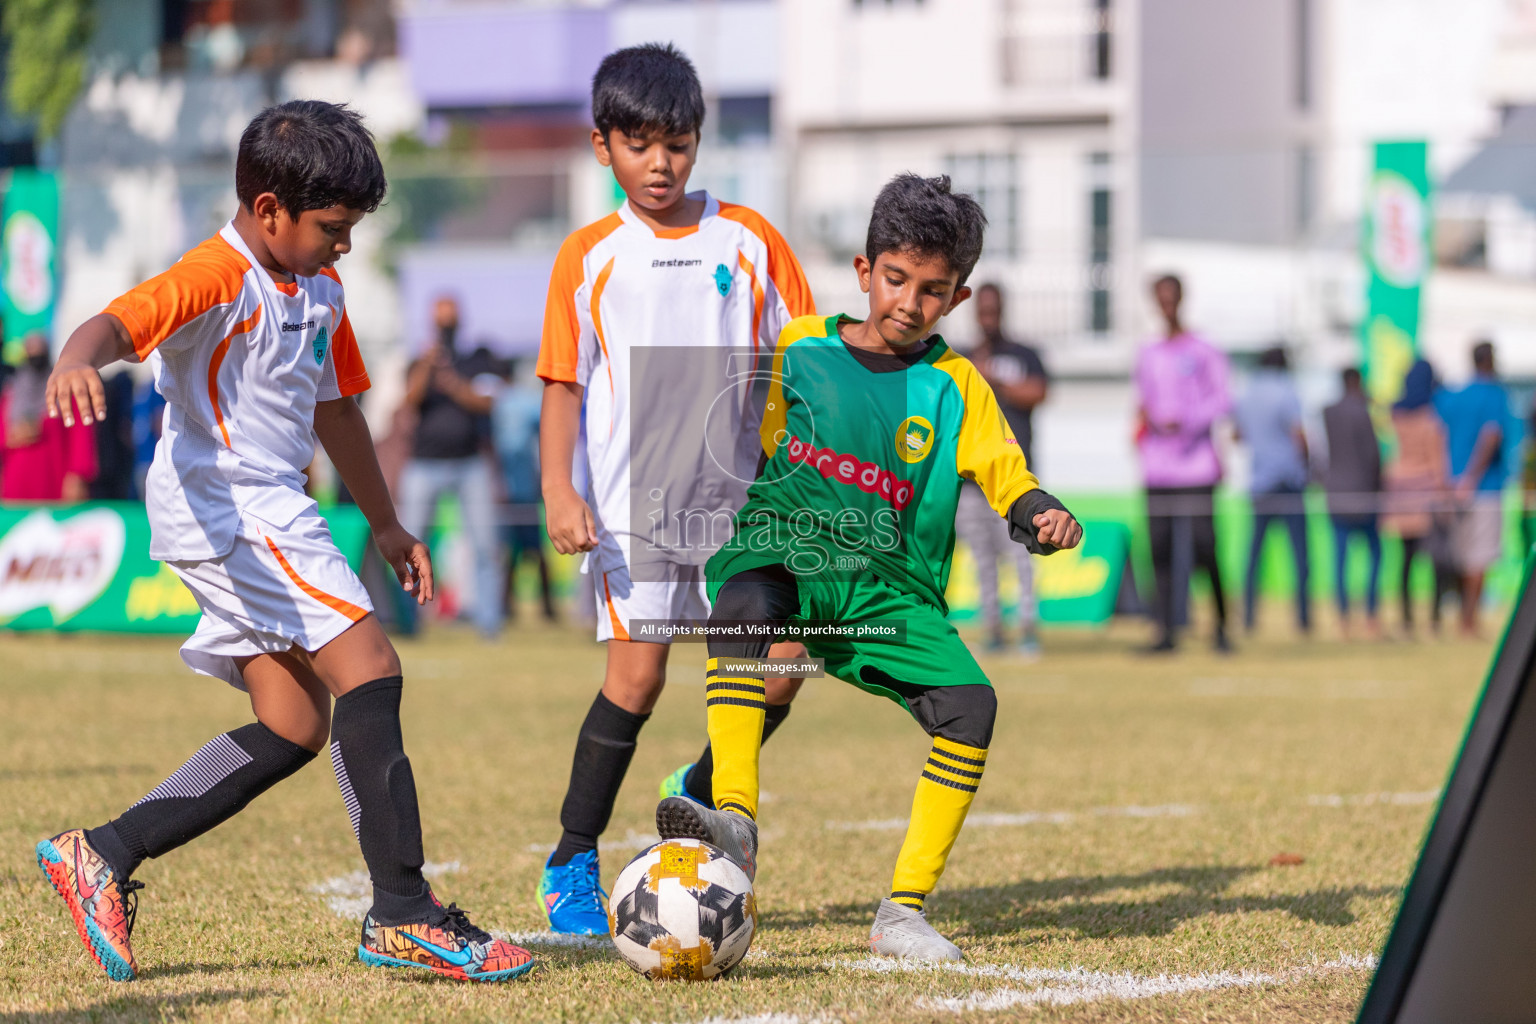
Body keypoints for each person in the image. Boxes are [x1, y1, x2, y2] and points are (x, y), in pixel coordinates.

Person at [33, 100, 533, 984]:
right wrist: (75, 359)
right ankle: (405, 912)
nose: (345, 246)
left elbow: (336, 408)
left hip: (263, 508)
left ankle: (102, 852)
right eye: (333, 228)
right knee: (372, 669)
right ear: (269, 211)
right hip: (230, 505)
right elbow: (118, 322)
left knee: (296, 724)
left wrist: (385, 521)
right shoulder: (215, 276)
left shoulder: (323, 290)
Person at [647, 174, 1081, 962]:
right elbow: (729, 417)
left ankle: (902, 913)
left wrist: (1038, 513)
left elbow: (1006, 473)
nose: (909, 303)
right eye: (895, 279)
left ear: (956, 298)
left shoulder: (956, 386)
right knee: (746, 612)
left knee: (971, 704)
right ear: (862, 268)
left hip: (888, 588)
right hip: (790, 549)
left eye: (932, 290)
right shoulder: (799, 347)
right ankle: (735, 825)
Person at [534, 43, 814, 935]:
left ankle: (695, 790)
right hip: (633, 505)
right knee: (639, 677)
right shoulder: (591, 255)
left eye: (679, 145)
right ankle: (572, 859)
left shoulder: (752, 239)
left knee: (787, 664)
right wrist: (558, 490)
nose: (661, 164)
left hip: (746, 506)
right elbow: (562, 384)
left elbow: (805, 363)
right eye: (640, 144)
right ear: (602, 145)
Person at [1135, 275, 1232, 653]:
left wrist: (1187, 421)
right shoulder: (1148, 352)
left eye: (1171, 298)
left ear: (1181, 299)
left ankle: (1221, 626)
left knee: (1205, 547)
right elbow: (1143, 401)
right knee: (1158, 549)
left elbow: (1223, 400)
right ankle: (1164, 631)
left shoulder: (1204, 349)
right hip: (1159, 469)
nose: (1166, 306)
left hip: (1196, 467)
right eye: (1160, 299)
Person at [397, 295, 504, 638]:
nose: (446, 328)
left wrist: (453, 384)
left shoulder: (476, 360)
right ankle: (408, 624)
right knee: (409, 547)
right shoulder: (419, 361)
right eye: (441, 321)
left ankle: (489, 625)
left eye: (450, 320)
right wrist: (429, 366)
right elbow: (410, 400)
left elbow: (487, 403)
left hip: (469, 464)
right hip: (424, 464)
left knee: (486, 546)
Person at [954, 283, 1049, 655]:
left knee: (1022, 560)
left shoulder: (1023, 353)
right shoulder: (961, 358)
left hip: (1017, 479)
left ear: (1003, 310)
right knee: (983, 562)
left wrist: (996, 380)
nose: (988, 318)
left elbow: (1039, 392)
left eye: (994, 310)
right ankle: (992, 630)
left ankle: (1027, 630)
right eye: (983, 311)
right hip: (972, 481)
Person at [1435, 340, 1513, 637]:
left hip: (1451, 486)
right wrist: (1471, 477)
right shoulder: (1495, 395)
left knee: (1460, 555)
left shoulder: (1450, 397)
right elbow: (1491, 436)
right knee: (1479, 558)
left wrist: (1448, 479)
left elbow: (1437, 435)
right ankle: (1469, 621)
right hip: (1483, 487)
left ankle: (1461, 620)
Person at [1234, 346, 1311, 635]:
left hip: (1260, 482)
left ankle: (1249, 617)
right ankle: (1303, 618)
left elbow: (1237, 435)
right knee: (1300, 556)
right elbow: (1299, 434)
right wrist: (1310, 465)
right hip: (1288, 481)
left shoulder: (1248, 393)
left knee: (1254, 556)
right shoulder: (1286, 389)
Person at [1384, 359, 1453, 636]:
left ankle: (1406, 618)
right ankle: (1435, 618)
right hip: (1426, 493)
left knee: (1406, 559)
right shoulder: (1430, 420)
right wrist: (1444, 496)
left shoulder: (1395, 416)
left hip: (1400, 491)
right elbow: (1438, 464)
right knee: (1436, 559)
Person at [492, 357, 555, 622]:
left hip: (510, 491)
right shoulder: (525, 401)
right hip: (524, 489)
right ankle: (543, 607)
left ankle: (509, 606)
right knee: (530, 550)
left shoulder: (499, 402)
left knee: (513, 551)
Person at [1322, 368, 1383, 639]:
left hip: (1335, 495)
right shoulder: (1362, 412)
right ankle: (1370, 616)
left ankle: (1343, 618)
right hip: (1364, 495)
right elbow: (1373, 455)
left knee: (1340, 559)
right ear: (1357, 382)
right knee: (1375, 556)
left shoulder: (1329, 412)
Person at [0, 332, 97, 501]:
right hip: (16, 481)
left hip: (54, 478)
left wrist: (78, 475)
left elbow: (81, 434)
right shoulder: (11, 394)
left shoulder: (65, 389)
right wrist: (14, 436)